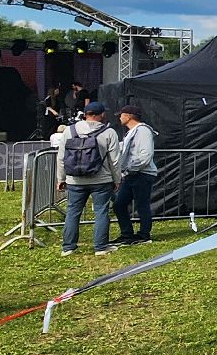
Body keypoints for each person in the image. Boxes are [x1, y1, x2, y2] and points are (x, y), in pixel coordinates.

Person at [57, 101, 121, 256]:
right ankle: (100, 247)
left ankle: (68, 247)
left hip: (75, 180)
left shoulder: (69, 131)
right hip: (101, 179)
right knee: (101, 212)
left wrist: (61, 178)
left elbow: (61, 157)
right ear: (102, 115)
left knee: (73, 211)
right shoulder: (108, 132)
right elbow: (115, 160)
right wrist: (116, 179)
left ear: (85, 114)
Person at [113, 105, 159, 246]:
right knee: (119, 204)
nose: (119, 117)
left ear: (129, 116)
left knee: (142, 204)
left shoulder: (143, 131)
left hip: (142, 174)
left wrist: (130, 168)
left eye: (121, 115)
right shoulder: (131, 132)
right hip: (131, 174)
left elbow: (145, 155)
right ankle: (127, 234)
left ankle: (144, 235)